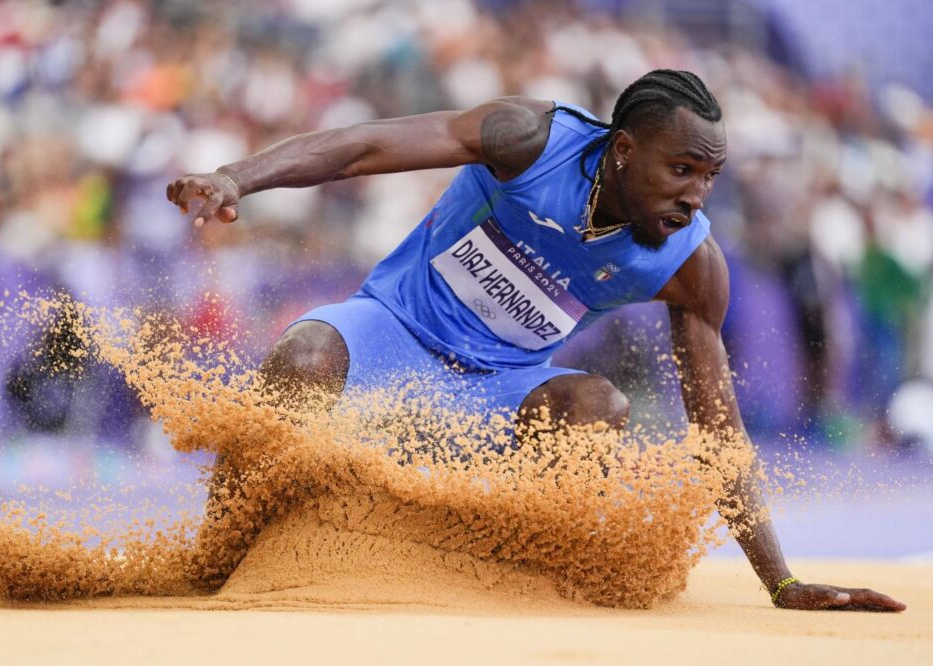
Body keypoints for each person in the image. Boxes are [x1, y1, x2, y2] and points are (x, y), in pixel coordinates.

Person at [167, 70, 905, 612]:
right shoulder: (529, 140)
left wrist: (779, 579)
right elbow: (362, 147)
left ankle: (514, 581)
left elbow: (717, 427)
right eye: (680, 170)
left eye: (709, 179)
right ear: (621, 151)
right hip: (388, 335)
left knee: (599, 406)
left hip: (495, 390)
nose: (694, 198)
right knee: (304, 355)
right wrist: (238, 176)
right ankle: (218, 559)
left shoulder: (691, 264)